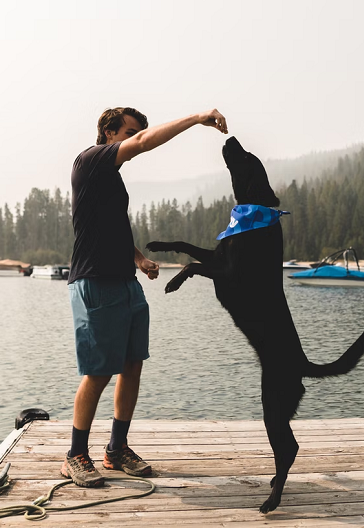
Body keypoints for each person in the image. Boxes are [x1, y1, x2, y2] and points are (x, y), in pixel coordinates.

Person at [63, 106, 229, 487]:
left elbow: (114, 228)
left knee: (132, 364)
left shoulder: (112, 180)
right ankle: (74, 455)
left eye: (135, 132)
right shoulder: (90, 161)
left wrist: (139, 259)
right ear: (108, 131)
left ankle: (116, 450)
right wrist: (197, 118)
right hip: (94, 282)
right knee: (99, 372)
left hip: (124, 281)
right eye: (128, 131)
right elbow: (140, 144)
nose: (133, 138)